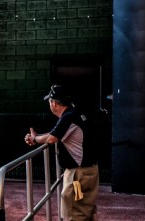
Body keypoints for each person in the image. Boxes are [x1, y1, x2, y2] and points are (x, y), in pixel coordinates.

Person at [25, 84, 99, 221]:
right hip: (90, 171)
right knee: (86, 211)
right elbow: (55, 134)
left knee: (74, 214)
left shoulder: (68, 117)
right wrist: (37, 138)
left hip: (78, 174)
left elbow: (52, 138)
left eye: (49, 101)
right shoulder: (75, 113)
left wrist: (34, 139)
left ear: (54, 103)